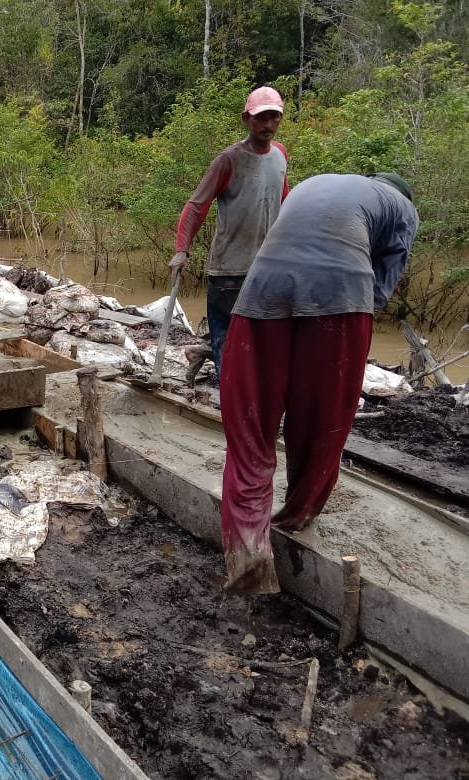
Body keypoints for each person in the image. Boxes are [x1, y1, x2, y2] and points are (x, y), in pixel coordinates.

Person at [218, 172, 419, 594]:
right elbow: (383, 283)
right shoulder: (403, 209)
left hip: (263, 286)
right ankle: (297, 515)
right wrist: (356, 308)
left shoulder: (317, 183)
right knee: (321, 421)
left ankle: (247, 553)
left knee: (250, 425)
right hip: (339, 295)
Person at [170, 86, 290, 378]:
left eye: (274, 117)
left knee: (263, 338)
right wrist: (181, 250)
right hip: (229, 271)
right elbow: (197, 206)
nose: (268, 124)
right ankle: (228, 401)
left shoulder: (280, 154)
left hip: (267, 266)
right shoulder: (229, 160)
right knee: (228, 341)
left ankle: (219, 370)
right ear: (246, 119)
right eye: (261, 118)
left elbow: (284, 199)